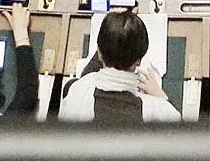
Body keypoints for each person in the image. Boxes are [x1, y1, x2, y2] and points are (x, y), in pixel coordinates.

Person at [54, 8, 182, 121]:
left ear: (99, 52)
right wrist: (161, 96)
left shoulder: (74, 91)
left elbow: (86, 80)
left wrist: (112, 31)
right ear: (139, 60)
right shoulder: (159, 111)